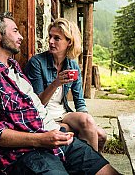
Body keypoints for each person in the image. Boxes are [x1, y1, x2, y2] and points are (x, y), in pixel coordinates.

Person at [0, 12, 119, 175]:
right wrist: (41, 139)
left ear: (69, 42)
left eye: (57, 38)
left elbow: (73, 101)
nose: (21, 37)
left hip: (56, 137)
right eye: (15, 31)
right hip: (29, 152)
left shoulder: (14, 67)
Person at [24, 18, 107, 152]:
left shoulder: (72, 65)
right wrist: (56, 83)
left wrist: (88, 124)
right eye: (50, 36)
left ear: (69, 42)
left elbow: (79, 102)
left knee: (99, 133)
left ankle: (93, 165)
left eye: (57, 38)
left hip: (63, 113)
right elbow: (37, 103)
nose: (51, 41)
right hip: (43, 115)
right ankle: (91, 165)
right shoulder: (37, 63)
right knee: (94, 134)